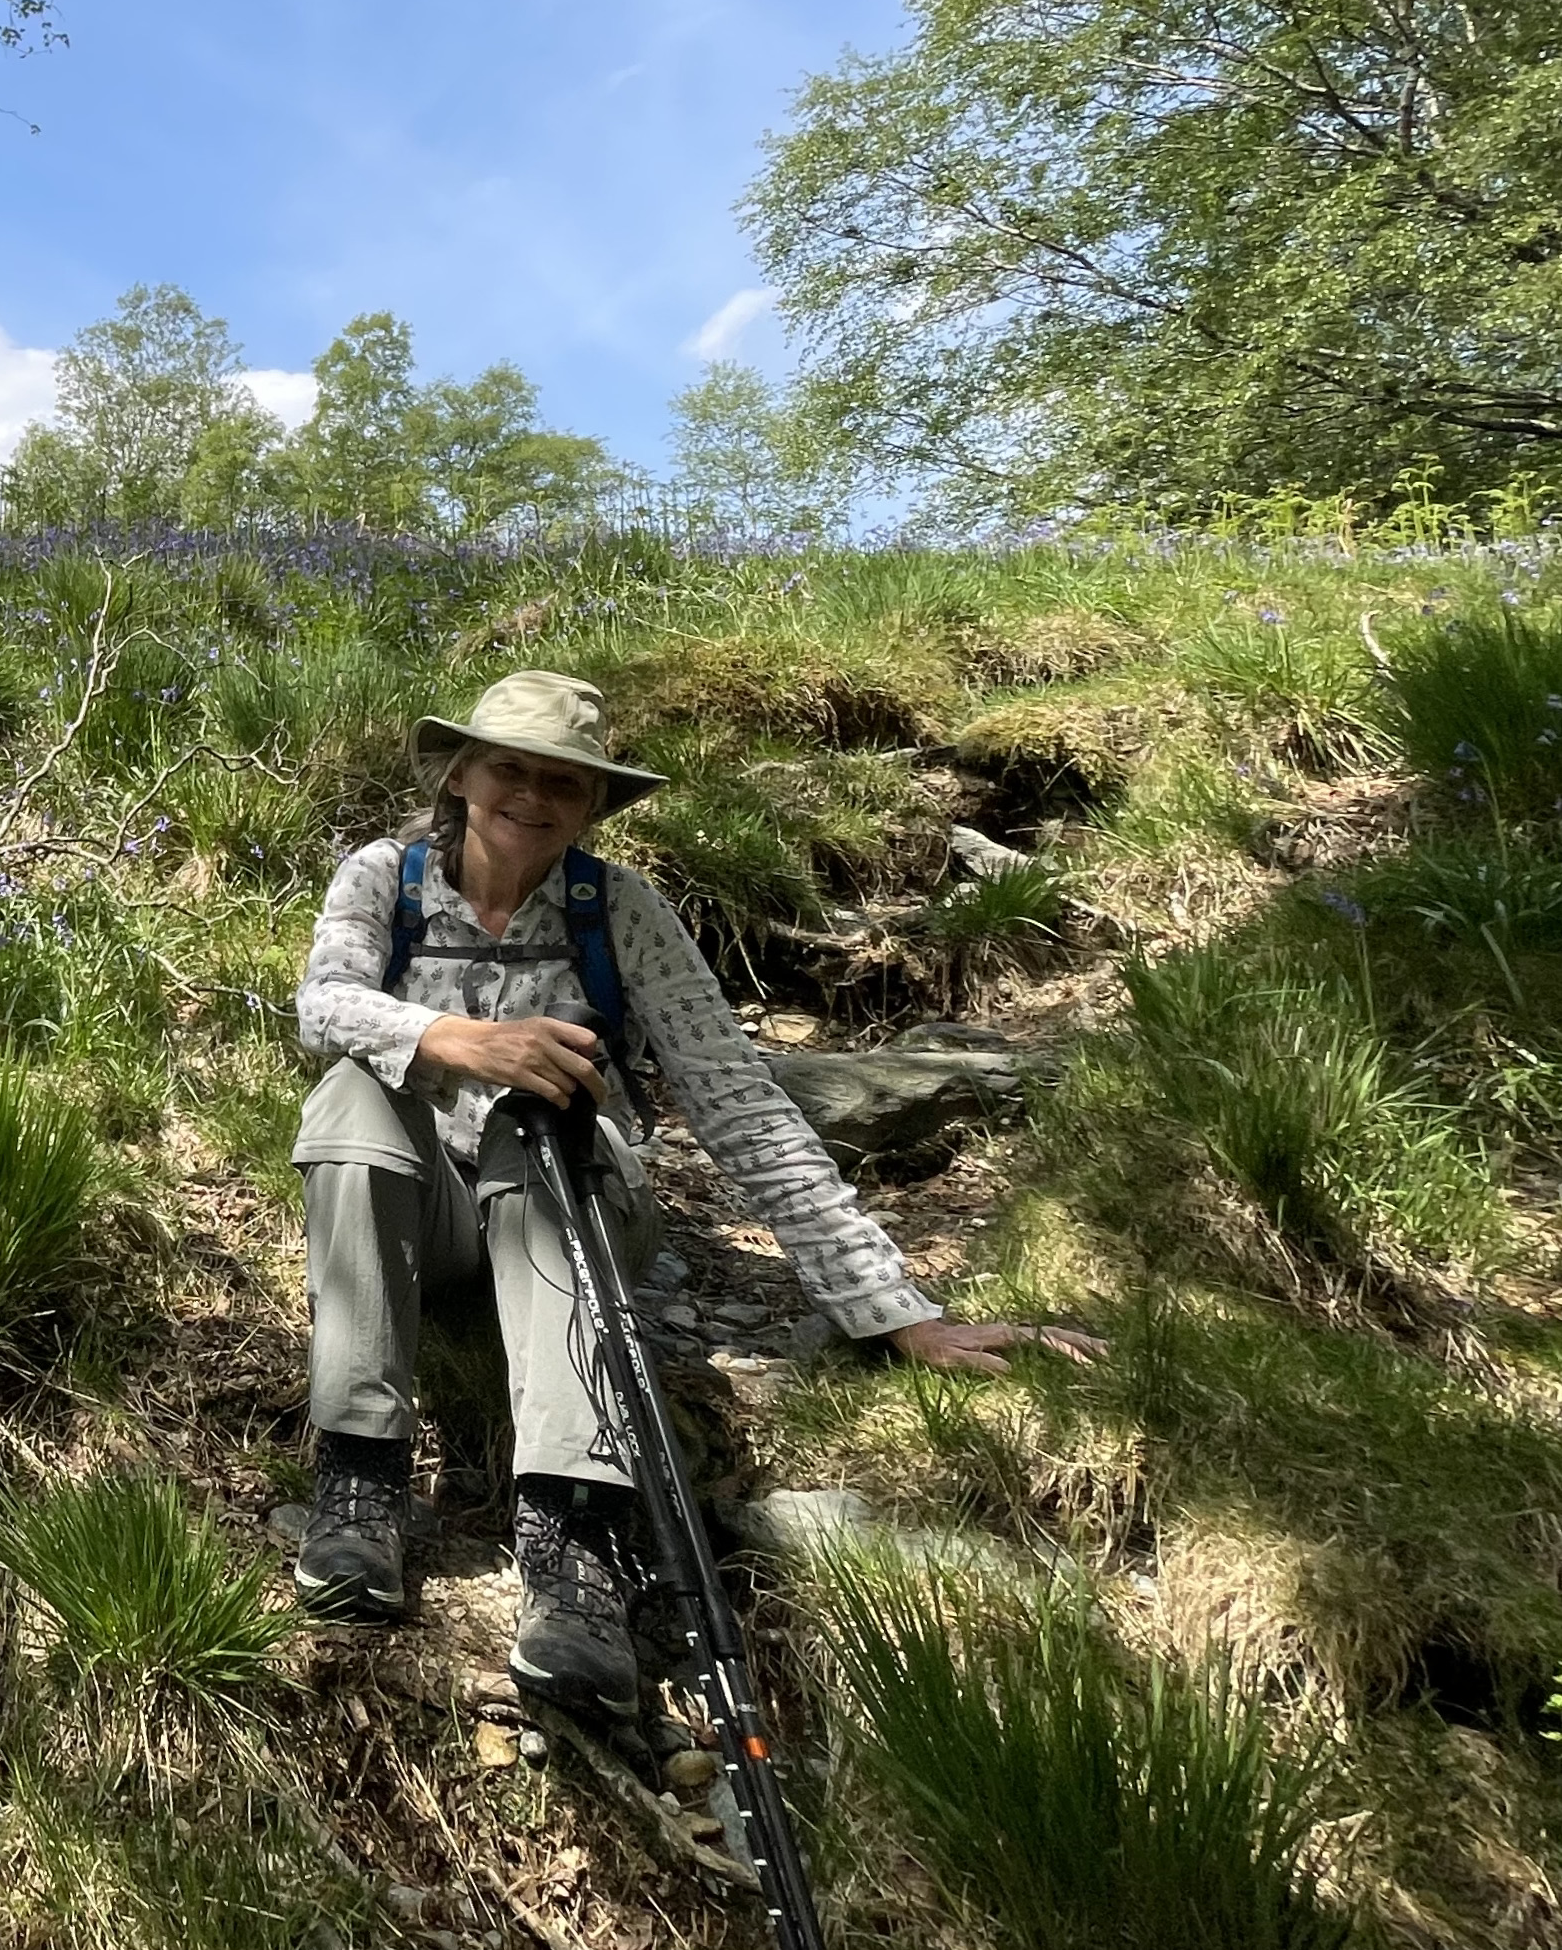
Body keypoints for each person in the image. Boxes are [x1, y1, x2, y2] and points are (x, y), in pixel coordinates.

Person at [287, 669, 1101, 1715]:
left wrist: (896, 1311)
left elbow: (739, 1102)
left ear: (593, 804)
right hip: (425, 1213)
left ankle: (572, 1536)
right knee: (353, 1090)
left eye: (562, 782)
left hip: (572, 1201)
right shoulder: (381, 878)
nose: (530, 795)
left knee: (542, 1119)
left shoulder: (619, 910)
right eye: (508, 769)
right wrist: (453, 1038)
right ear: (460, 774)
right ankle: (359, 1474)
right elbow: (325, 1004)